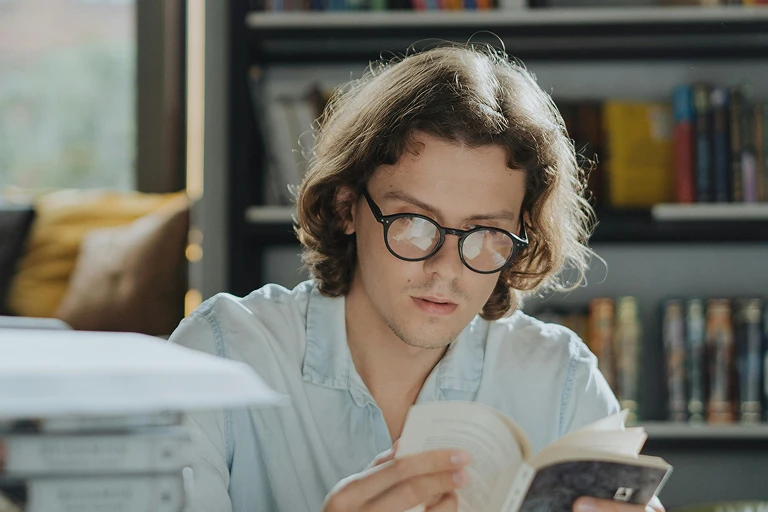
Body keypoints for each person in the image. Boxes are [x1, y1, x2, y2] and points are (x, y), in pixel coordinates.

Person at [170, 43, 665, 512]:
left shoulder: (560, 379)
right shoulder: (220, 356)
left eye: (486, 231)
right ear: (347, 208)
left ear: (521, 233)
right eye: (413, 223)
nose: (446, 268)